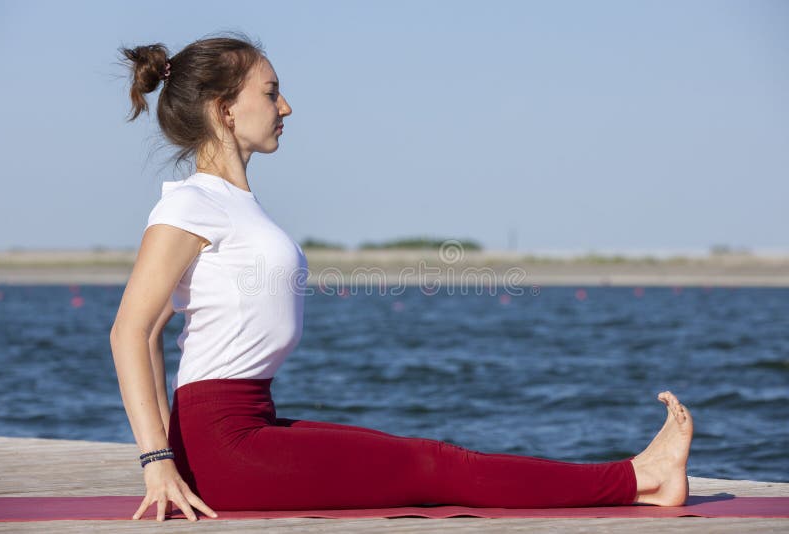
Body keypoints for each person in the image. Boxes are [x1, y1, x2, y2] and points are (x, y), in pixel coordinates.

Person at [110, 33, 694, 523]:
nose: (286, 107)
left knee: (426, 457)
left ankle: (640, 479)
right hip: (226, 444)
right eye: (271, 92)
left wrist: (176, 448)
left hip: (239, 431)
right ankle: (640, 477)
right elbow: (131, 331)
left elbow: (161, 325)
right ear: (224, 108)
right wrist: (159, 460)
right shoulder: (189, 205)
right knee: (434, 466)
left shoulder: (233, 204)